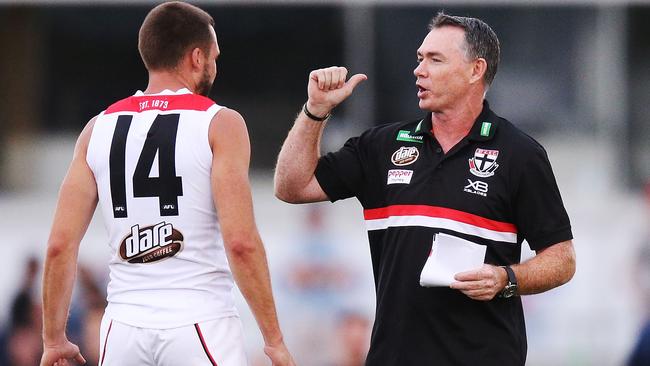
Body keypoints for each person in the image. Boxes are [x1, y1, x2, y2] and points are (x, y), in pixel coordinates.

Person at [274, 12, 575, 365]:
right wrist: (315, 111)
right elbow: (291, 186)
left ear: (475, 70)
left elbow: (562, 259)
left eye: (435, 59)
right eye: (419, 59)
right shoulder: (383, 146)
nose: (419, 70)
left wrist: (505, 278)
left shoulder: (519, 154)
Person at [40, 2, 295, 366]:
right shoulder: (220, 123)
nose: (215, 67)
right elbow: (240, 242)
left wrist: (53, 339)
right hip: (198, 321)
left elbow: (59, 245)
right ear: (196, 58)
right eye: (214, 57)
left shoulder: (97, 129)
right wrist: (274, 340)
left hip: (123, 328)